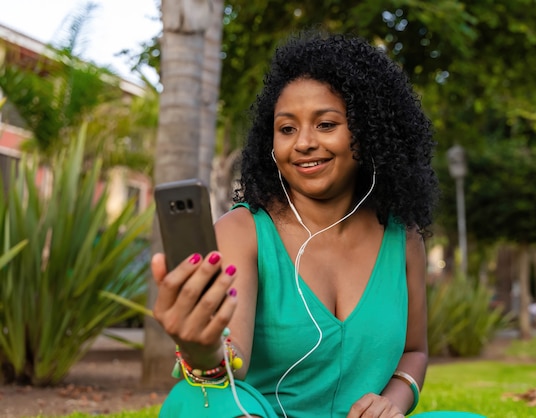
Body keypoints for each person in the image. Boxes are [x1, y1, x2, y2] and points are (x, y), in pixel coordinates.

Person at [152, 31, 483, 418]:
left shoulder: (403, 238)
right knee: (197, 403)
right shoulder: (242, 231)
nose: (303, 143)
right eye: (287, 129)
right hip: (252, 414)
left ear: (369, 131)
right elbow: (231, 360)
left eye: (326, 124)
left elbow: (414, 351)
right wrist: (204, 349)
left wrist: (391, 402)